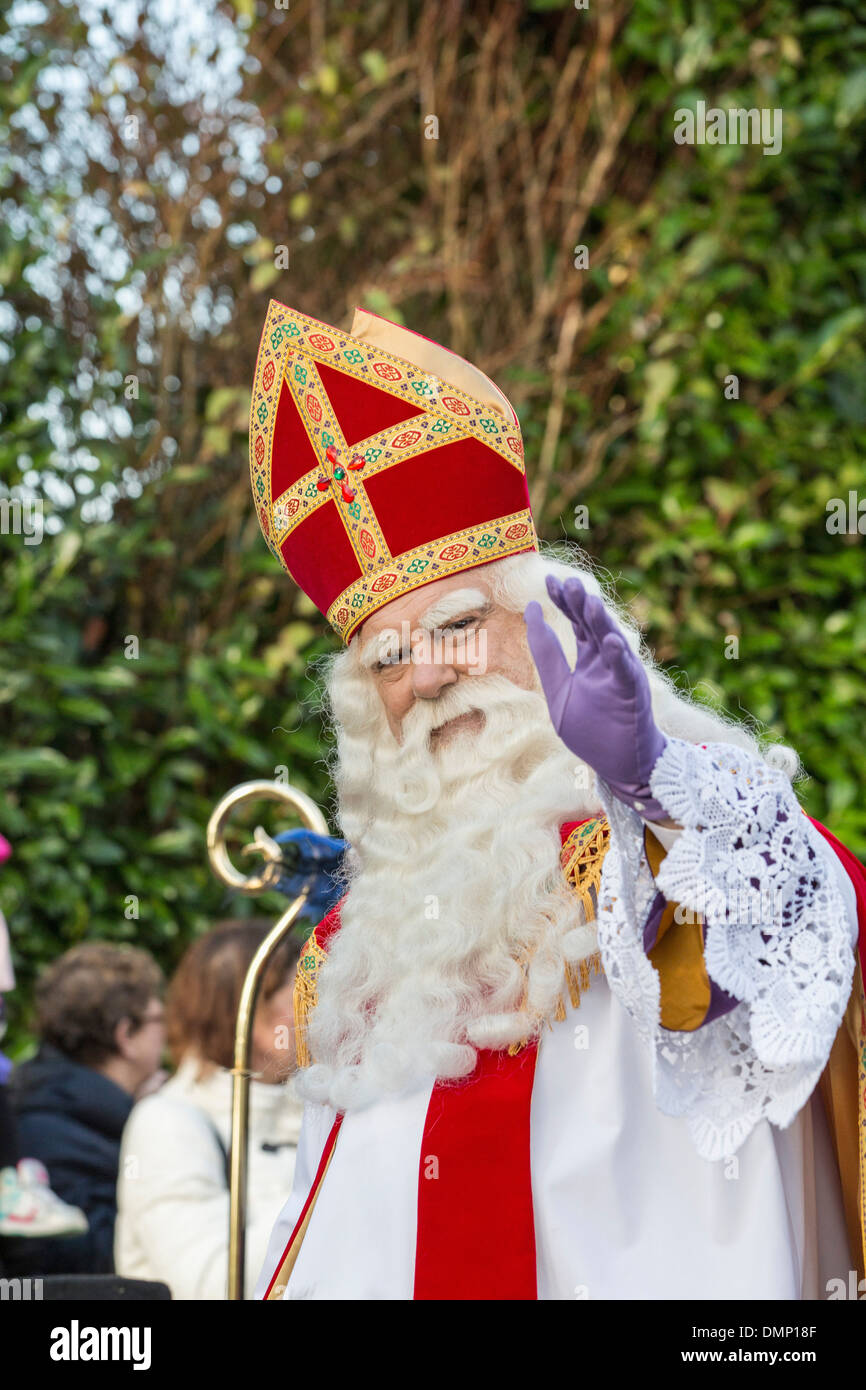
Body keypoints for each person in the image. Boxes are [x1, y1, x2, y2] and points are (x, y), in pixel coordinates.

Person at [247, 301, 866, 1301]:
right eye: (388, 658)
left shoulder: (673, 849)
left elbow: (809, 949)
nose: (431, 675)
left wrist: (648, 777)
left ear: (546, 618)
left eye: (454, 622)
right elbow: (318, 1218)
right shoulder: (356, 949)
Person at [115, 920, 304, 1300]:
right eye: (301, 989)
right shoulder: (167, 1121)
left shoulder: (311, 1109)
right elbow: (212, 1285)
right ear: (244, 1009)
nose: (318, 1005)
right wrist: (331, 1188)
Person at [6, 942, 164, 1275]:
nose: (166, 1033)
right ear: (126, 1035)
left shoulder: (49, 1103)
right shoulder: (57, 1131)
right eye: (158, 1019)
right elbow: (104, 1261)